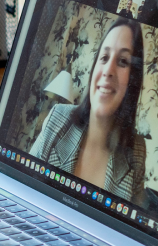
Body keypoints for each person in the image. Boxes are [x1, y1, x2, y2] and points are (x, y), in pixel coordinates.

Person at [30, 17, 147, 204]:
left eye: (123, 61)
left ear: (133, 80)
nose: (108, 70)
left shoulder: (137, 151)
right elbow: (22, 186)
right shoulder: (57, 118)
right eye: (104, 57)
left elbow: (128, 228)